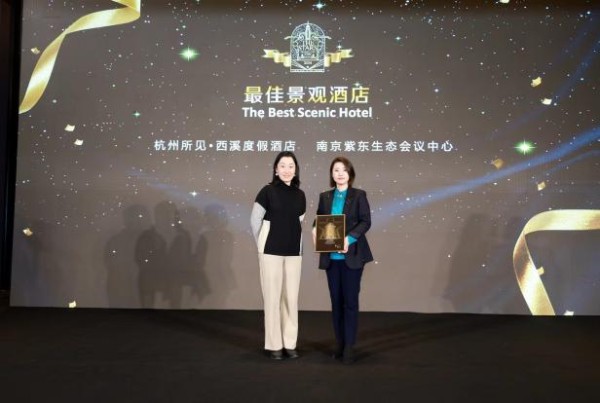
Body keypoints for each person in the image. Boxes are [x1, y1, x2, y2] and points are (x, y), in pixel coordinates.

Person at [313, 156, 373, 364]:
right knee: (336, 302)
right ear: (331, 174)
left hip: (352, 257)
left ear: (350, 173)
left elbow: (366, 221)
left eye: (344, 170)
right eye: (336, 170)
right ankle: (339, 342)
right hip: (331, 258)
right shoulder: (325, 197)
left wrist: (348, 239)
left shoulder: (359, 195)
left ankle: (349, 345)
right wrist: (314, 229)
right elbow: (319, 220)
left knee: (350, 302)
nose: (340, 173)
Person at [251, 151, 306, 360]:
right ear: (276, 169)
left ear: (296, 169)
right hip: (270, 252)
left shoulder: (300, 195)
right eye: (282, 166)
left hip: (294, 252)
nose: (287, 170)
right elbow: (255, 220)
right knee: (272, 298)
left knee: (291, 299)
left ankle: (290, 343)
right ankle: (274, 345)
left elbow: (299, 221)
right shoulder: (267, 191)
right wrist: (262, 244)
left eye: (291, 166)